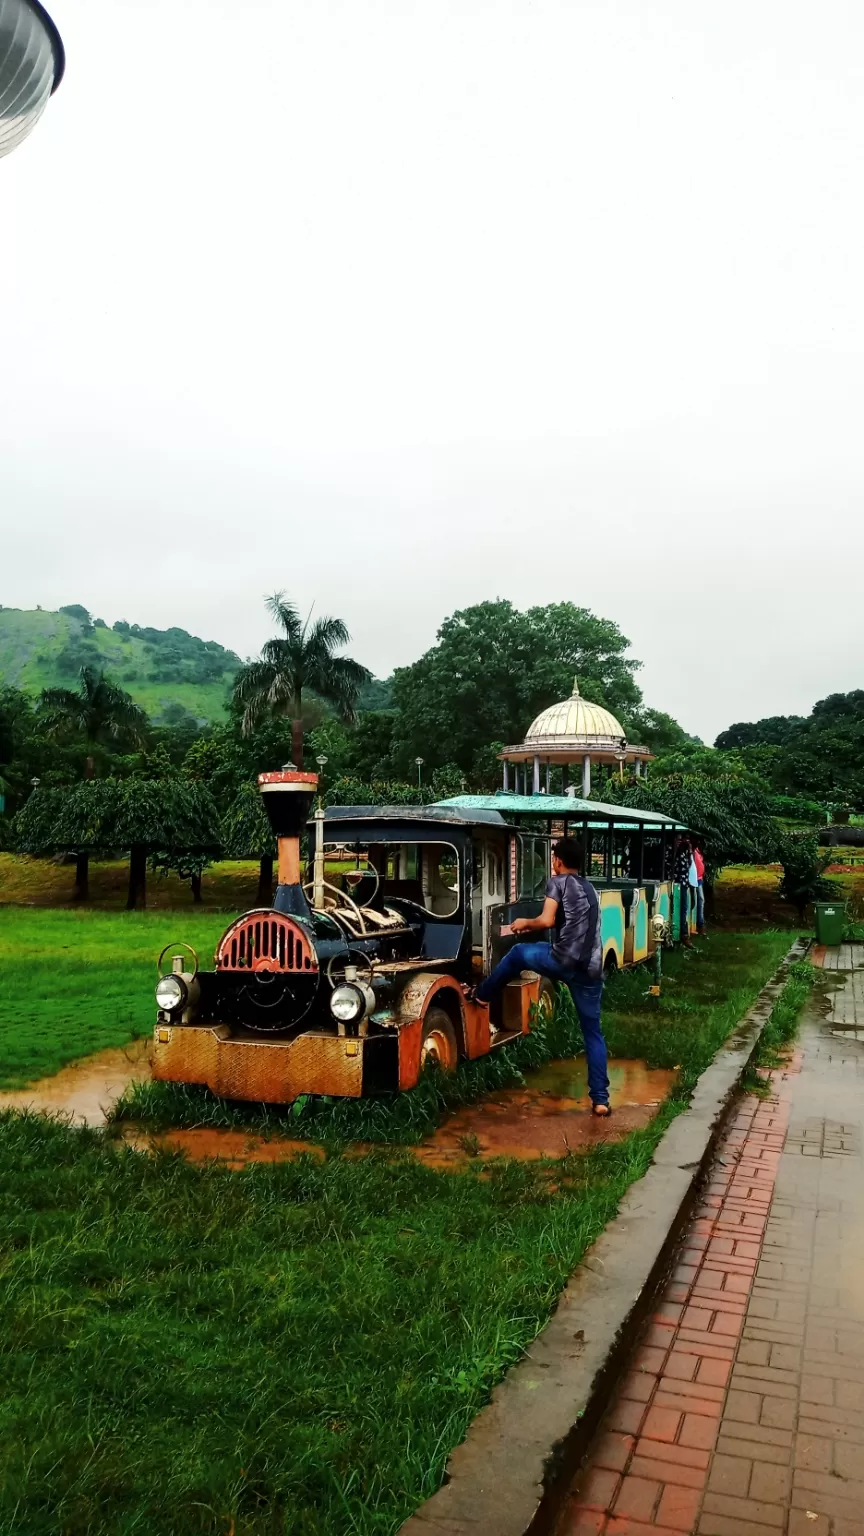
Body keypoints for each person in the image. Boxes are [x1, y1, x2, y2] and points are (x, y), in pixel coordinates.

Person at [473, 837, 611, 1116]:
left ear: (558, 861)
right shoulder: (590, 888)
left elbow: (547, 921)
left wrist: (525, 923)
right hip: (592, 969)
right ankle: (600, 1100)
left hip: (562, 961)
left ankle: (481, 995)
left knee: (518, 953)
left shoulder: (557, 883)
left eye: (553, 859)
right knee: (593, 1033)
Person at [674, 833, 693, 947]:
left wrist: (689, 850)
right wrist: (675, 849)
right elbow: (669, 865)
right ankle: (682, 934)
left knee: (684, 908)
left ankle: (684, 934)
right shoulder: (671, 850)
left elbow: (689, 864)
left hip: (684, 882)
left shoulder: (685, 850)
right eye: (679, 839)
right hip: (676, 883)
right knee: (680, 909)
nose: (681, 841)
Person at [693, 842, 706, 935]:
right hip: (694, 879)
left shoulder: (697, 850)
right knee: (698, 900)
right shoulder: (693, 850)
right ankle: (699, 924)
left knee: (700, 900)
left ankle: (700, 924)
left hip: (699, 878)